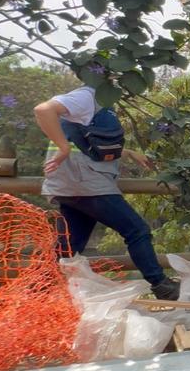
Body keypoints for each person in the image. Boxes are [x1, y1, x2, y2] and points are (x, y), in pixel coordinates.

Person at [34, 86, 180, 300]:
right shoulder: (88, 96)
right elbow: (43, 110)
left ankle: (37, 292)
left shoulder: (98, 102)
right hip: (87, 185)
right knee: (136, 230)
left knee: (69, 247)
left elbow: (88, 142)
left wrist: (128, 152)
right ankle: (161, 285)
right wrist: (63, 148)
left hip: (73, 186)